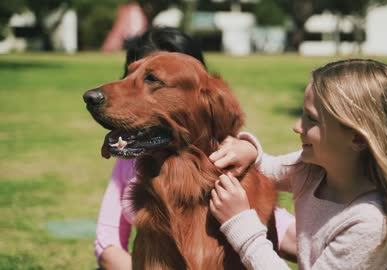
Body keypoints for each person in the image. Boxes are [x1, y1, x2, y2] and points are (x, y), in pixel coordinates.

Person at [94, 26, 296, 270]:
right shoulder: (134, 165)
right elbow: (108, 243)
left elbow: (280, 228)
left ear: (206, 104)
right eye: (131, 75)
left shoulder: (241, 179)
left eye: (151, 79)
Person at [209, 59, 387, 269]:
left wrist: (240, 223)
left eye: (311, 119)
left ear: (358, 139)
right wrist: (251, 151)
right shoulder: (313, 169)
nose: (297, 126)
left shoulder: (369, 223)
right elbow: (267, 167)